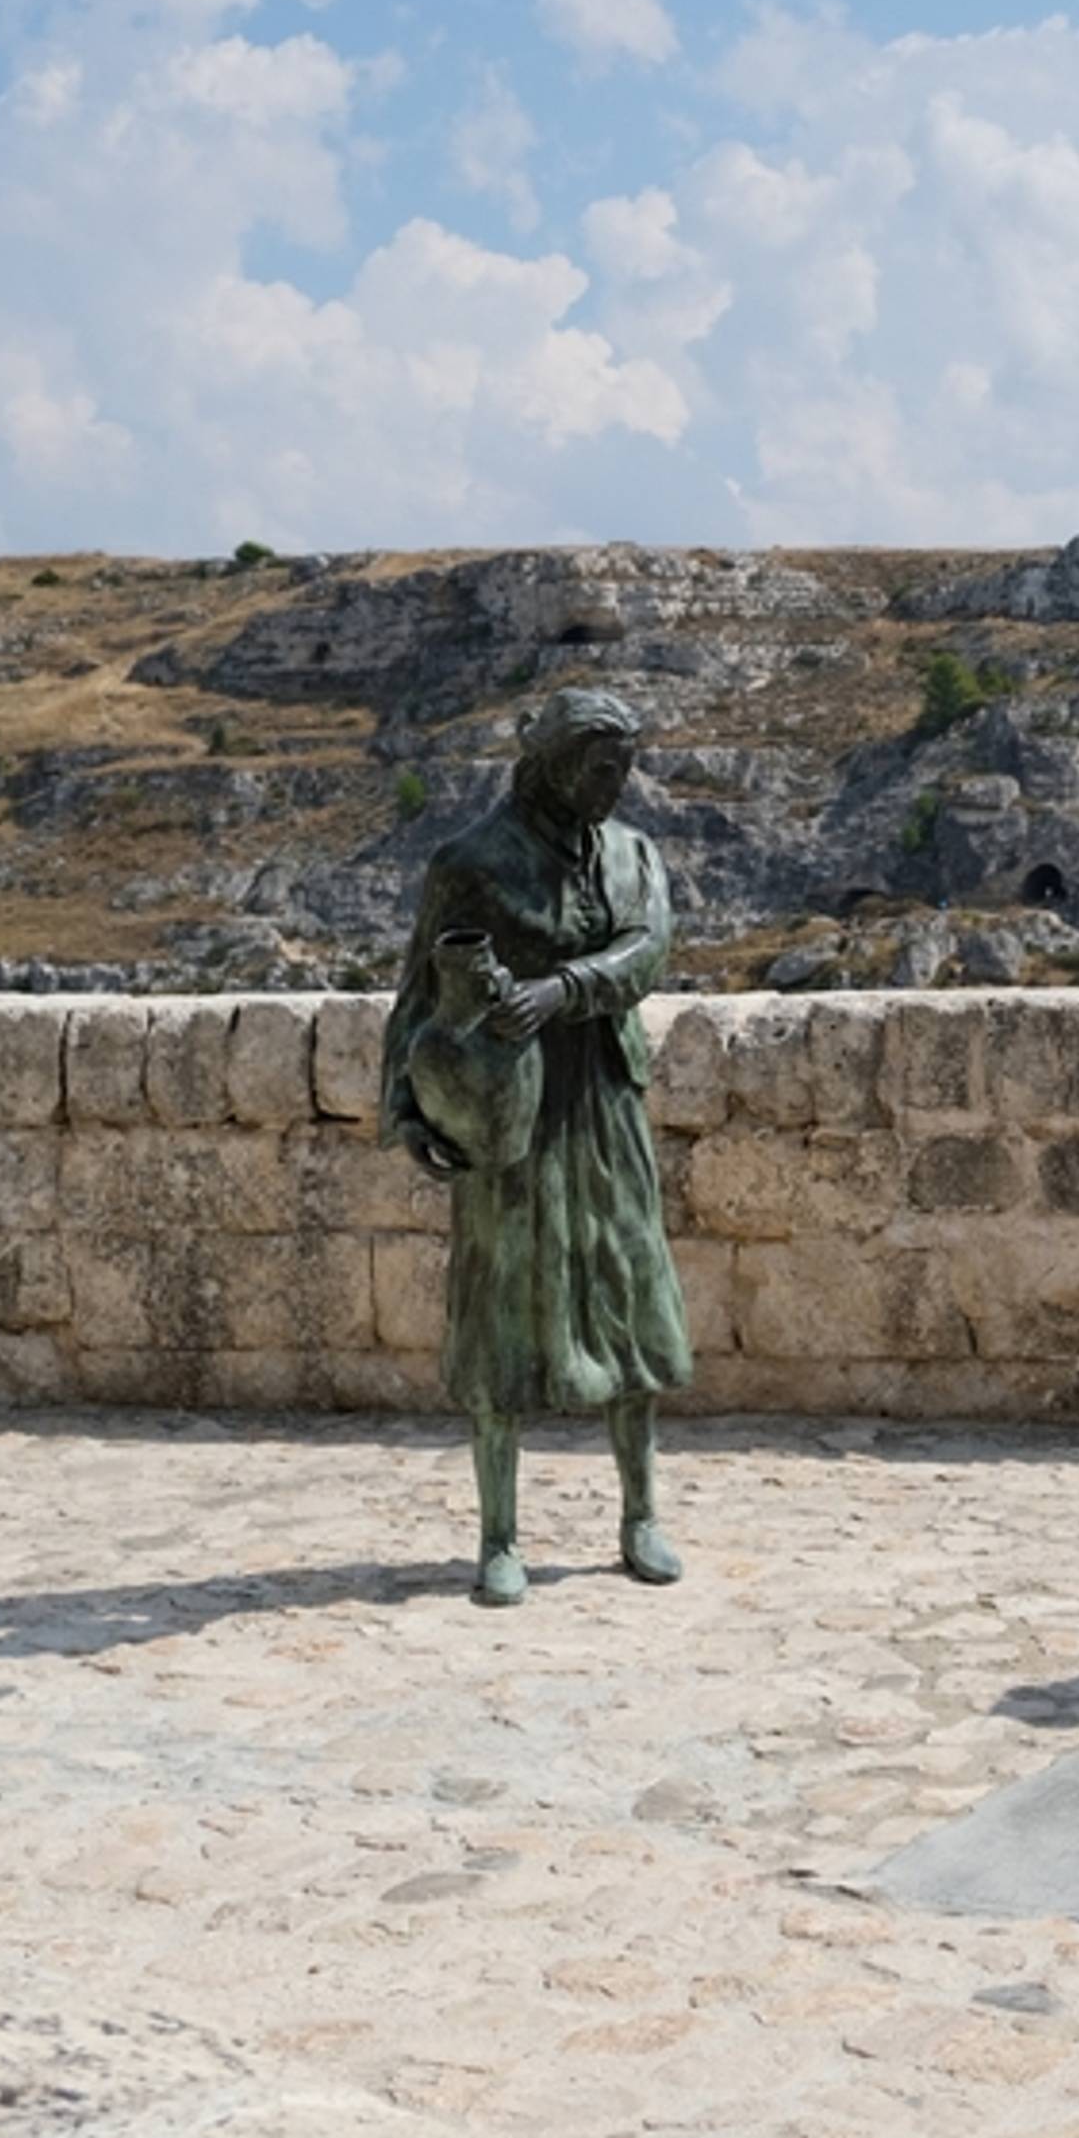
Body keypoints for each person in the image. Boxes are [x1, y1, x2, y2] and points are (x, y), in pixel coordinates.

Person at [381, 687, 691, 1608]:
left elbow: (647, 949)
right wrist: (408, 1109)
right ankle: (498, 1535)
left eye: (624, 766)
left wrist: (562, 989)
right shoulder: (471, 862)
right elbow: (415, 997)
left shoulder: (636, 857)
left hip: (602, 1094)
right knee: (501, 1310)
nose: (615, 783)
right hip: (506, 1107)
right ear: (553, 762)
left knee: (633, 1294)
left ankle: (641, 1513)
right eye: (599, 765)